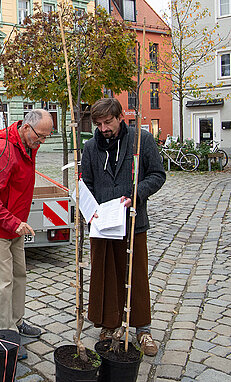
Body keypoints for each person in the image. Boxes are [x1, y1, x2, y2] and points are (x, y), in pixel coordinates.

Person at [81, 97, 166, 356]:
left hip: (133, 221)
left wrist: (136, 194)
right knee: (105, 274)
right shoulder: (90, 147)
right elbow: (87, 184)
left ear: (119, 117)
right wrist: (90, 211)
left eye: (108, 122)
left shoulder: (142, 140)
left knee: (136, 275)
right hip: (103, 224)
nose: (104, 128)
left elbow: (157, 175)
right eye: (99, 123)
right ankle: (109, 323)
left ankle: (143, 328)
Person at [0, 109, 53, 360]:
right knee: (3, 282)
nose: (41, 142)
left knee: (19, 274)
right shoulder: (4, 150)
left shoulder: (28, 146)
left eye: (46, 138)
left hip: (15, 227)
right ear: (26, 128)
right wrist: (12, 222)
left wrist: (17, 223)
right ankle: (5, 335)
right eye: (40, 137)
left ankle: (17, 322)